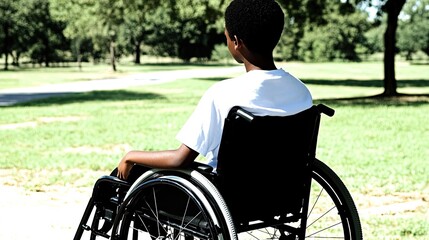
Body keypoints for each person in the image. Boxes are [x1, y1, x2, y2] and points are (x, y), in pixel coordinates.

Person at [116, 0, 312, 181]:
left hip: (229, 197)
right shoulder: (301, 92)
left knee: (116, 182)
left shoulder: (224, 94)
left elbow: (179, 160)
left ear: (236, 41)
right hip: (280, 193)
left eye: (226, 36)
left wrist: (130, 156)